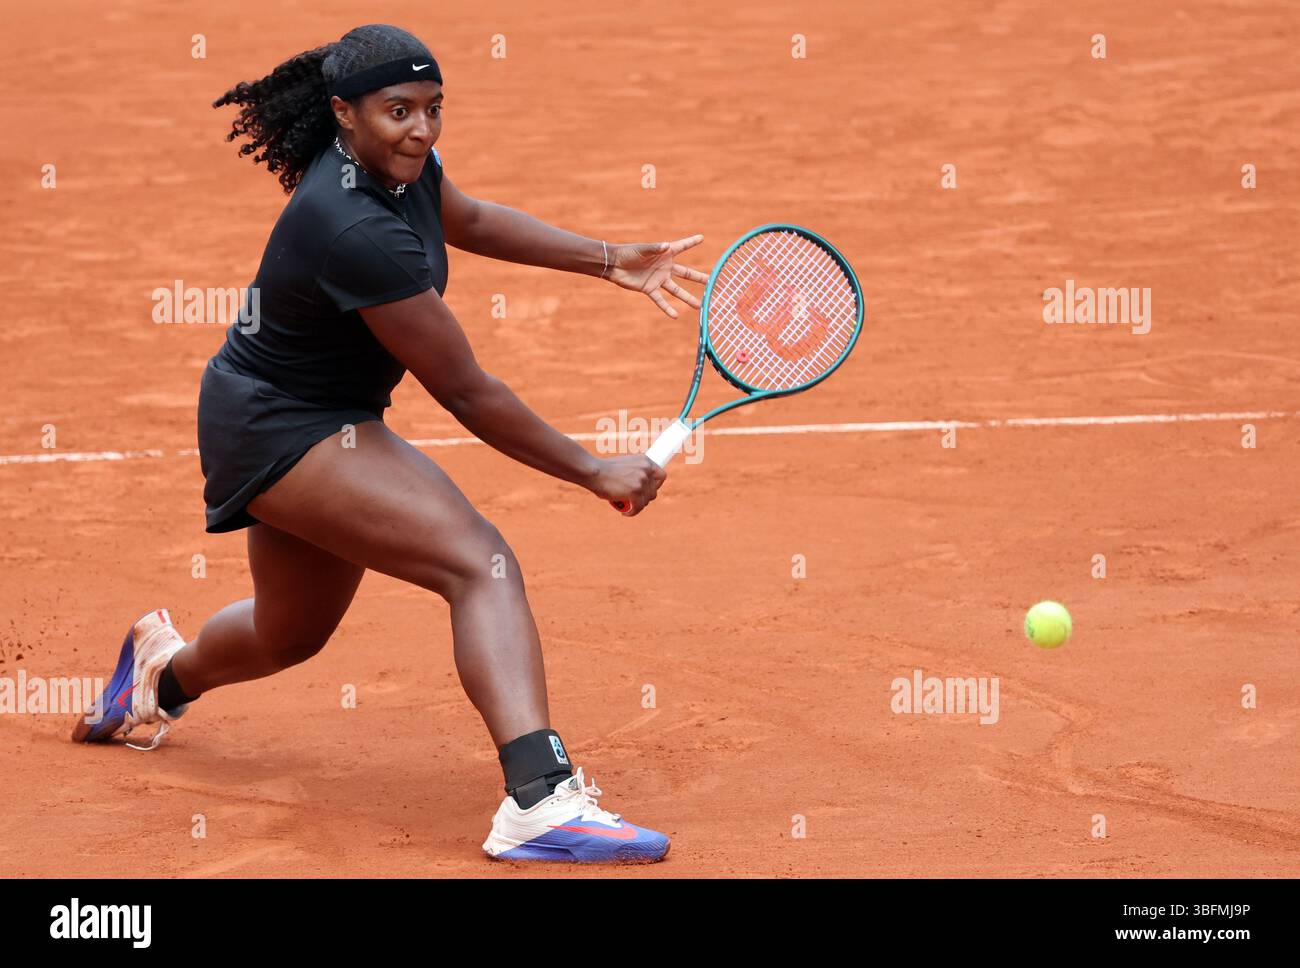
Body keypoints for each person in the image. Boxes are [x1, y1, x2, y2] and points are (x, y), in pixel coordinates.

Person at [72, 23, 708, 864]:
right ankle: (540, 802)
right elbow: (467, 391)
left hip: (303, 411)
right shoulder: (351, 227)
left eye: (434, 109)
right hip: (283, 424)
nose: (421, 129)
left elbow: (468, 216)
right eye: (398, 110)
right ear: (344, 112)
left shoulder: (398, 170)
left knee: (289, 632)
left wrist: (607, 258)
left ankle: (158, 675)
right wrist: (593, 468)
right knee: (478, 564)